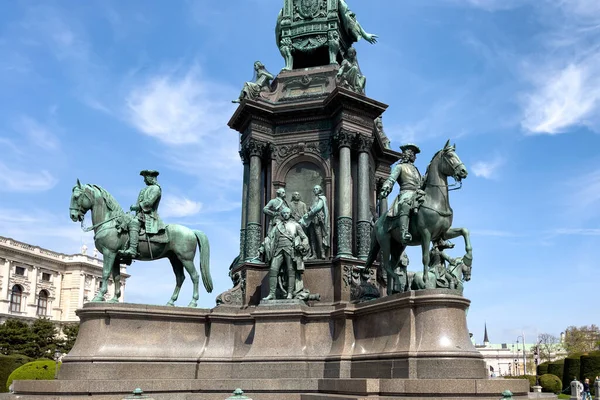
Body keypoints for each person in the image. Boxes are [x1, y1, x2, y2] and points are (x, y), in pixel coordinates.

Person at [380, 144, 424, 243]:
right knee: (405, 204)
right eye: (413, 154)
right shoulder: (399, 167)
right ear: (408, 154)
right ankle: (404, 232)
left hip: (418, 193)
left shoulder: (416, 169)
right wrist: (386, 188)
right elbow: (391, 179)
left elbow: (420, 183)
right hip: (406, 192)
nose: (415, 157)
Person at [262, 207, 309, 300]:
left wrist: (302, 245)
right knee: (273, 270)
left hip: (290, 250)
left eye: (287, 213)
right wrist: (262, 247)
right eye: (284, 213)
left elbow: (304, 237)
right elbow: (269, 238)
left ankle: (290, 293)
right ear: (282, 215)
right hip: (278, 250)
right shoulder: (277, 227)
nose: (286, 214)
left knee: (290, 271)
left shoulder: (296, 225)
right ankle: (272, 294)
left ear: (290, 213)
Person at [119, 170, 164, 258]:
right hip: (140, 215)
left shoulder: (156, 188)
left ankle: (133, 249)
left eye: (145, 178)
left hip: (149, 216)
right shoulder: (145, 189)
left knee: (133, 223)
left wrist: (136, 207)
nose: (144, 181)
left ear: (150, 178)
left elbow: (149, 203)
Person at [302, 185, 330, 260]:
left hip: (317, 219)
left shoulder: (322, 198)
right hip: (311, 220)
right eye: (314, 189)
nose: (315, 190)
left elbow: (318, 207)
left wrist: (309, 213)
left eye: (316, 189)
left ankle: (322, 252)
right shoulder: (313, 199)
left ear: (320, 190)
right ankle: (314, 254)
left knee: (319, 236)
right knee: (312, 237)